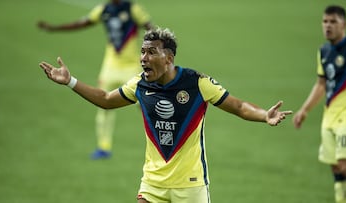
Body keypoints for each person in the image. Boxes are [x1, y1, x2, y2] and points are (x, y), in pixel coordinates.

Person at [39, 27, 292, 203]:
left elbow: (237, 106)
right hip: (153, 183)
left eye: (151, 52)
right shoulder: (140, 84)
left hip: (190, 185)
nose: (143, 58)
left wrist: (263, 115)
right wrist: (70, 81)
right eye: (142, 52)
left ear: (169, 58)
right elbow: (105, 100)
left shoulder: (197, 83)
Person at [38, 0, 153, 159]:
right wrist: (54, 28)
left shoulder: (132, 8)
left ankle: (158, 142)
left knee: (148, 104)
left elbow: (150, 29)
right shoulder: (103, 9)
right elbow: (81, 23)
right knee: (103, 105)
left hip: (133, 68)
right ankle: (103, 147)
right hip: (110, 67)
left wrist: (162, 47)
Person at [293, 5, 346, 203]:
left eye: (333, 21)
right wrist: (304, 110)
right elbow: (321, 84)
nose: (328, 26)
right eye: (325, 21)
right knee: (335, 166)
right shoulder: (323, 51)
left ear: (344, 24)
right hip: (329, 116)